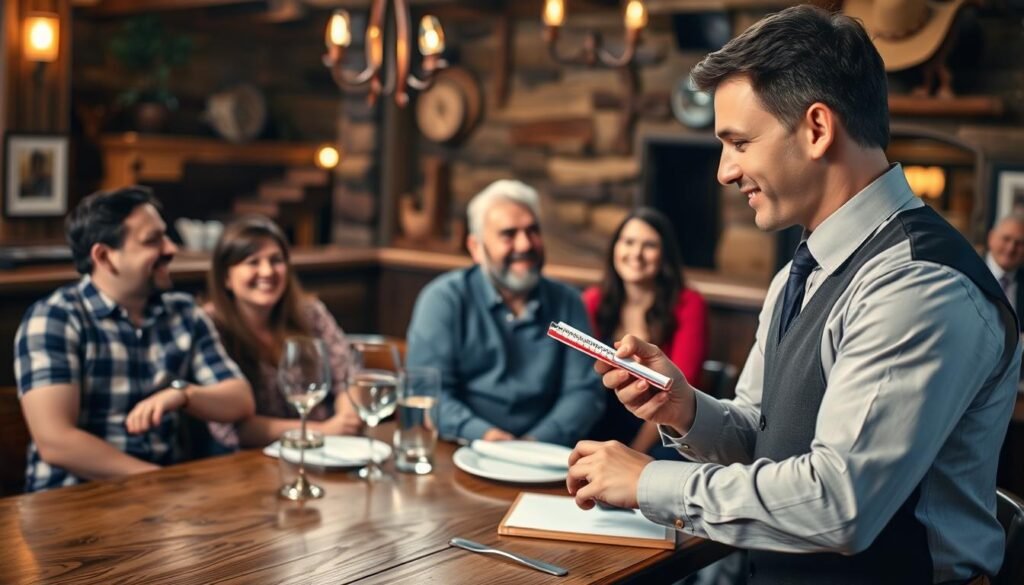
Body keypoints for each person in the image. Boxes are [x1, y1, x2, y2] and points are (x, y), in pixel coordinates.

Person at [566, 6, 1019, 584]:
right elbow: (762, 434)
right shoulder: (799, 273)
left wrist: (646, 481)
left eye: (739, 142)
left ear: (817, 129)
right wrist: (684, 409)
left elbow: (839, 504)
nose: (725, 172)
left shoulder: (918, 284)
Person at [14, 187, 255, 493]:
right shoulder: (55, 318)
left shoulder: (183, 312)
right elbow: (55, 442)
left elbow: (240, 401)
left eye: (165, 236)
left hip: (162, 505)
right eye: (152, 241)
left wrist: (183, 394)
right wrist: (158, 480)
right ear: (104, 256)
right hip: (70, 503)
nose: (171, 248)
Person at [405, 179, 604, 445]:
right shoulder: (443, 299)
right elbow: (430, 392)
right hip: (459, 450)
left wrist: (533, 444)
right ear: (476, 248)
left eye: (532, 231)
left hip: (548, 455)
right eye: (508, 234)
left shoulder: (568, 301)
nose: (525, 245)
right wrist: (486, 436)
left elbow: (584, 392)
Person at [203, 216, 361, 449]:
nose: (267, 271)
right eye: (253, 262)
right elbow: (231, 427)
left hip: (325, 451)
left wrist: (347, 419)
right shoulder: (210, 324)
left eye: (276, 260)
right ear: (226, 276)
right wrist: (323, 431)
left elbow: (347, 377)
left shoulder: (310, 313)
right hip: (246, 461)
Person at [582, 207, 708, 455]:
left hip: (662, 431)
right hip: (599, 419)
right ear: (615, 248)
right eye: (628, 242)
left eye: (649, 245)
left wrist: (633, 454)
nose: (636, 254)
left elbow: (679, 392)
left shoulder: (689, 304)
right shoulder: (593, 300)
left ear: (664, 255)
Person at [985, 213, 1024, 330]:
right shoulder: (968, 274)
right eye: (1006, 239)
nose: (1011, 248)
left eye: (1019, 243)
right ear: (991, 237)